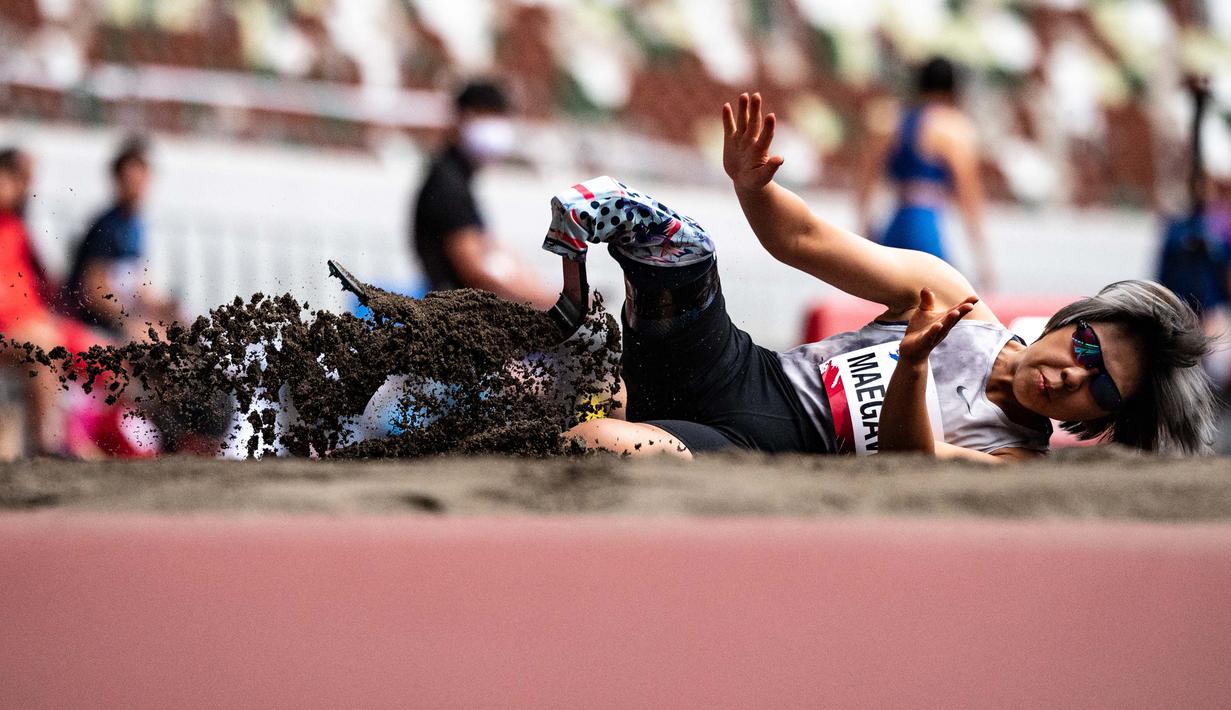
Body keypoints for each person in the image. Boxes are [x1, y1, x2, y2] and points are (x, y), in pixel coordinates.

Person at [555, 93, 1214, 460]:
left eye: (1099, 388)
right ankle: (616, 258)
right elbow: (804, 239)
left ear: (1099, 419)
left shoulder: (1012, 461)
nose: (1074, 375)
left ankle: (580, 414)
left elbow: (914, 462)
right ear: (1071, 322)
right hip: (743, 371)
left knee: (606, 444)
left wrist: (914, 365)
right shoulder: (951, 296)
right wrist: (751, 188)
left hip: (761, 454)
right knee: (684, 256)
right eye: (1088, 351)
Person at [411, 80, 557, 308]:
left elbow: (492, 251)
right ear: (462, 118)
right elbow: (475, 270)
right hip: (457, 319)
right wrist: (547, 302)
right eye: (489, 116)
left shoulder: (458, 179)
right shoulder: (447, 184)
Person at [855, 57, 995, 291]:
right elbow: (969, 196)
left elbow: (865, 184)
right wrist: (982, 257)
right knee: (943, 304)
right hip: (926, 226)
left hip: (894, 222)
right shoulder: (954, 127)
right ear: (953, 89)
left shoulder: (890, 122)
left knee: (890, 308)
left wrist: (866, 230)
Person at [0, 149, 99, 455]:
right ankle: (48, 447)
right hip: (16, 329)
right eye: (18, 178)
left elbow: (45, 288)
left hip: (35, 322)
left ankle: (89, 443)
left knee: (107, 355)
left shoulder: (18, 227)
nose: (26, 187)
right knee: (43, 347)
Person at [62, 137, 177, 339]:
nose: (137, 187)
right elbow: (93, 291)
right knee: (156, 342)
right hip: (96, 322)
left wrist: (163, 307)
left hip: (123, 316)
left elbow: (136, 284)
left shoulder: (135, 225)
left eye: (141, 180)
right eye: (130, 181)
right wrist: (130, 320)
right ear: (117, 181)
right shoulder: (106, 227)